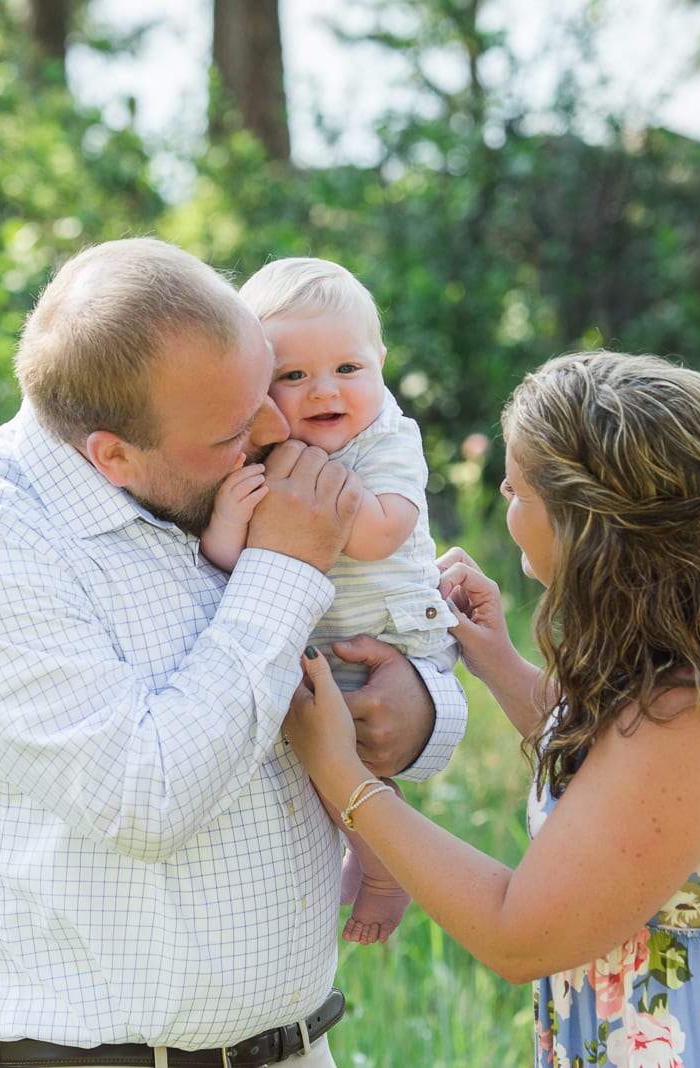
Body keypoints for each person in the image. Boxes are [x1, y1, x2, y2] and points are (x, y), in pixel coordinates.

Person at [0, 237, 468, 1067]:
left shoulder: (205, 460)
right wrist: (283, 567)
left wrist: (422, 708)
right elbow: (146, 798)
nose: (277, 428)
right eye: (239, 427)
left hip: (299, 1047)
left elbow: (357, 647)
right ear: (113, 455)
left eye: (268, 387)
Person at [284, 351, 700, 1067]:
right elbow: (625, 793)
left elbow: (520, 935)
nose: (505, 495)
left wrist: (346, 777)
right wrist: (498, 662)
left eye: (518, 489)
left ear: (587, 521)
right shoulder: (695, 658)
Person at [198, 256, 456, 946]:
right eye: (292, 376)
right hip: (320, 640)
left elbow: (379, 533)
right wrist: (233, 512)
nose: (323, 392)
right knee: (310, 758)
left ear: (380, 362)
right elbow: (226, 563)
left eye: (348, 370)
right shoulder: (259, 453)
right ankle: (375, 854)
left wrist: (304, 478)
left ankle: (385, 865)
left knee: (335, 758)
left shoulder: (388, 439)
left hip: (392, 637)